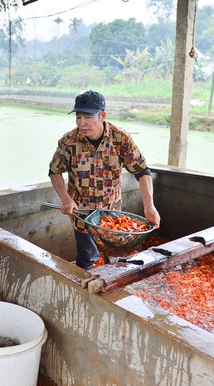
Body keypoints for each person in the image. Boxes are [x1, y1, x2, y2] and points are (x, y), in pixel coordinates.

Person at [48, 90, 161, 270]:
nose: (82, 123)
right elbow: (54, 171)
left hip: (111, 213)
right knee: (86, 259)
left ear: (102, 116)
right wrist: (65, 199)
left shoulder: (120, 139)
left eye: (88, 117)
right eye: (78, 117)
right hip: (81, 213)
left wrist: (149, 205)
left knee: (114, 258)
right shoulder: (68, 141)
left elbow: (142, 171)